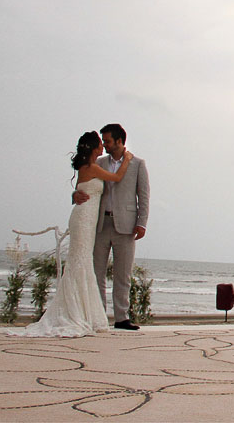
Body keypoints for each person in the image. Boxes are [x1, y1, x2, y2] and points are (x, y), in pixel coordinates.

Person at [10, 131, 132, 337]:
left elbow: (80, 187)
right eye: (100, 144)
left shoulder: (88, 167)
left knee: (82, 262)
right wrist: (127, 159)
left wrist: (75, 193)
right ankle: (77, 312)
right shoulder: (92, 167)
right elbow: (117, 177)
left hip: (89, 219)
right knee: (81, 261)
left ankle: (83, 311)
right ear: (94, 148)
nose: (103, 146)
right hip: (83, 218)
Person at [74, 123, 149, 331]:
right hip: (99, 223)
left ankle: (121, 317)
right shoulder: (98, 162)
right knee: (96, 272)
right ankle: (98, 316)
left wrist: (142, 223)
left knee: (122, 273)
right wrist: (75, 195)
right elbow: (83, 183)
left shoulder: (138, 164)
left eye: (107, 141)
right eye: (103, 141)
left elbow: (143, 196)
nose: (104, 145)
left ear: (119, 141)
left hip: (126, 225)